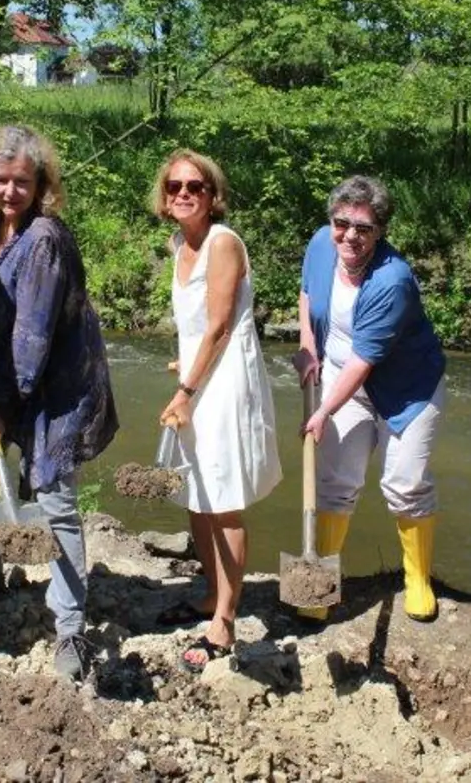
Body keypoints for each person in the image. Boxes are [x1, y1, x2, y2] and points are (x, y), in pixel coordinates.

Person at [0, 125, 118, 682]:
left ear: (41, 183)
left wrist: (1, 407)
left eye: (22, 181)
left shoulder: (43, 239)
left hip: (53, 389)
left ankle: (70, 629)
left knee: (56, 502)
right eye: (1, 179)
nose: (10, 191)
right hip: (2, 379)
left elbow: (33, 336)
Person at [149, 149, 282, 672]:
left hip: (222, 384)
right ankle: (210, 591)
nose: (183, 193)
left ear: (213, 195)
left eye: (195, 187)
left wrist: (186, 389)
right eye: (175, 186)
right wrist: (185, 363)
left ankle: (224, 622)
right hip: (199, 375)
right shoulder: (178, 243)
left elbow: (223, 327)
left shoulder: (223, 244)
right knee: (195, 489)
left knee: (223, 497)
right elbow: (199, 325)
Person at [292, 175, 447, 623]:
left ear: (380, 232)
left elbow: (365, 360)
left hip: (407, 388)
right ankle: (318, 583)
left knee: (404, 482)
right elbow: (307, 296)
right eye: (343, 223)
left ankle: (417, 579)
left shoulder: (391, 280)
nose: (350, 236)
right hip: (342, 372)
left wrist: (323, 409)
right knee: (337, 479)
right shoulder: (322, 245)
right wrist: (309, 348)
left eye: (364, 228)